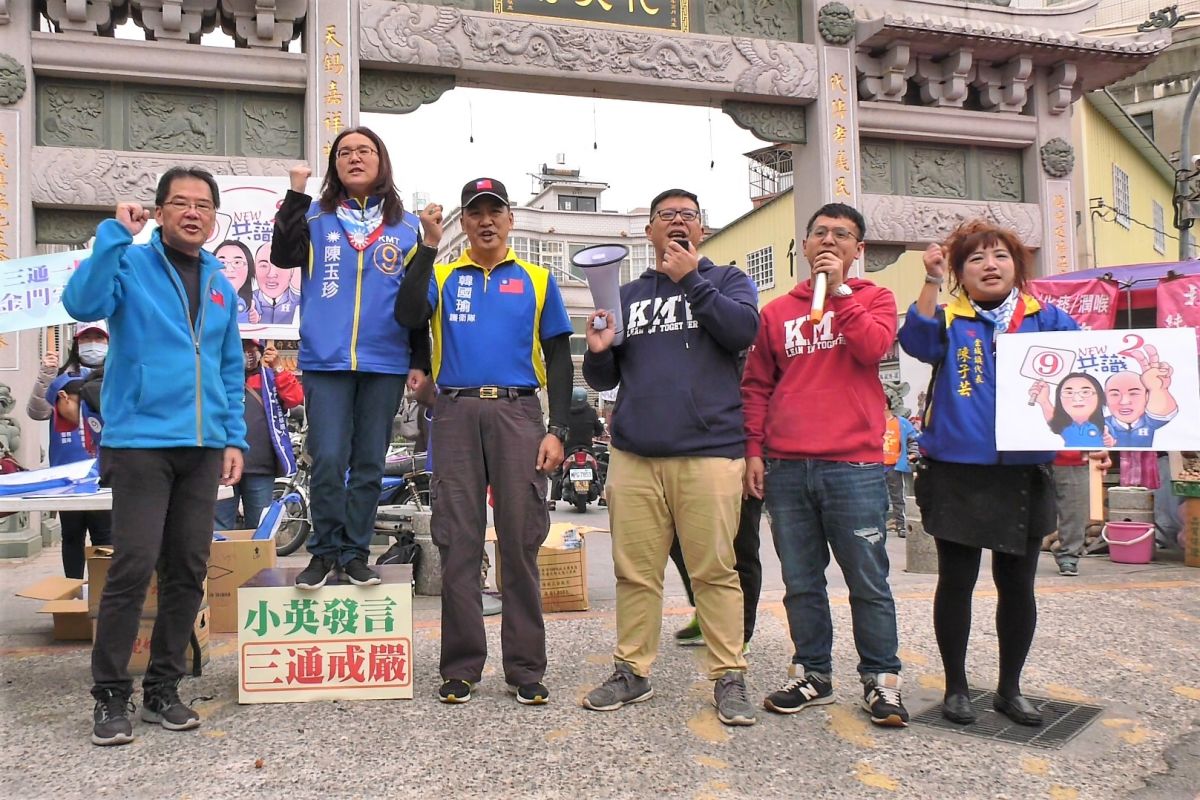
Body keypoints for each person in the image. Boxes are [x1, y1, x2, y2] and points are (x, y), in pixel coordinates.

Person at [63, 166, 246, 746]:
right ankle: (110, 695)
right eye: (180, 203)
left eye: (203, 205)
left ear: (214, 217)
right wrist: (113, 235)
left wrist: (234, 436)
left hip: (201, 447)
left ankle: (163, 688)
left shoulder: (219, 281)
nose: (193, 213)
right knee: (133, 566)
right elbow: (81, 300)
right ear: (161, 213)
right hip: (140, 441)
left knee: (188, 568)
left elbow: (228, 367)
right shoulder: (131, 262)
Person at [581, 188, 760, 727]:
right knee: (635, 572)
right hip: (636, 453)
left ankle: (729, 674)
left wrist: (691, 279)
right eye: (667, 216)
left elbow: (741, 331)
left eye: (688, 216)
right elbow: (606, 379)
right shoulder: (628, 293)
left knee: (714, 571)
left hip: (710, 452)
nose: (678, 223)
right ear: (650, 231)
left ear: (701, 230)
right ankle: (632, 670)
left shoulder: (727, 280)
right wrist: (598, 351)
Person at [395, 176, 572, 706]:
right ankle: (461, 666)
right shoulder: (444, 276)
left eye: (495, 211)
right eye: (476, 212)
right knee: (458, 541)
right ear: (464, 223)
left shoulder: (538, 279)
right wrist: (426, 248)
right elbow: (407, 314)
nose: (486, 220)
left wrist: (557, 429)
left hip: (519, 413)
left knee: (521, 541)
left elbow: (560, 357)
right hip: (454, 411)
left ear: (510, 219)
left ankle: (524, 669)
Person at [898, 219, 1079, 728]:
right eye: (975, 259)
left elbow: (1087, 372)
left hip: (1024, 471)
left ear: (1017, 266)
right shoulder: (950, 319)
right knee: (955, 583)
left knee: (1017, 585)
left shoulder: (1048, 320)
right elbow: (915, 341)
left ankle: (1009, 689)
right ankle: (957, 688)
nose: (989, 265)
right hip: (958, 470)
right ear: (960, 273)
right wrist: (930, 280)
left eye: (1000, 255)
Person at [742, 202, 908, 728]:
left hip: (854, 466)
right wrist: (754, 450)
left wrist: (839, 294)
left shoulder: (875, 298)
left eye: (842, 235)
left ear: (858, 251)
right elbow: (757, 387)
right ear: (805, 245)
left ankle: (881, 680)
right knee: (801, 581)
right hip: (788, 467)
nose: (829, 241)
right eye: (820, 234)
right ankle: (811, 672)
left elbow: (873, 347)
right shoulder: (776, 312)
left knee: (868, 579)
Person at [270, 126, 434, 590]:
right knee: (326, 460)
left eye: (365, 151)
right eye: (345, 152)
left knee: (368, 463)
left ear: (381, 161)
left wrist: (418, 361)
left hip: (385, 362)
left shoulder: (406, 228)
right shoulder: (318, 218)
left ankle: (356, 553)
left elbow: (418, 304)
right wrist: (295, 193)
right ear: (334, 165)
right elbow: (283, 255)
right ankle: (322, 554)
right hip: (326, 361)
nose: (355, 158)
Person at [26, 321, 113, 578]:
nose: (94, 343)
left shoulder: (117, 376)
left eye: (100, 338)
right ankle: (72, 591)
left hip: (104, 473)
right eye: (88, 338)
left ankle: (103, 595)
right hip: (66, 474)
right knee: (72, 535)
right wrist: (46, 376)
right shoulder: (61, 379)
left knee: (104, 536)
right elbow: (38, 411)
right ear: (76, 342)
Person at [214, 340, 303, 531]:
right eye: (241, 348)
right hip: (222, 466)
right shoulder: (218, 377)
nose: (247, 354)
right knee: (219, 529)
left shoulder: (270, 378)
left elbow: (295, 398)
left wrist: (278, 366)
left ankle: (256, 563)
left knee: (259, 529)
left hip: (260, 469)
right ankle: (221, 562)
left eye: (251, 349)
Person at [1050, 449, 1111, 576]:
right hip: (1026, 456)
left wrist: (1103, 448)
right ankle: (1016, 556)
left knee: (1075, 510)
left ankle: (1069, 555)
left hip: (1075, 457)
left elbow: (1102, 431)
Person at [549, 387, 605, 508]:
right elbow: (599, 430)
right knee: (597, 470)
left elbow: (559, 429)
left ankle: (552, 501)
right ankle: (603, 497)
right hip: (587, 449)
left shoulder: (564, 413)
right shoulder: (591, 412)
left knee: (558, 471)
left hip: (568, 449)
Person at [1029, 372, 1105, 448]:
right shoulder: (1068, 427)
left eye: (1085, 392)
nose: (1077, 399)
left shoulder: (1109, 425)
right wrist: (1043, 400)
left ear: (1100, 395)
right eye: (1069, 393)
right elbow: (1055, 420)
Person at [883, 398, 918, 538]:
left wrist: (913, 454)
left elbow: (912, 440)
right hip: (876, 466)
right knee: (878, 499)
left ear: (885, 405)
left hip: (895, 466)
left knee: (898, 498)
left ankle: (901, 525)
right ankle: (879, 525)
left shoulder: (902, 423)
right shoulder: (873, 422)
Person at [253, 242, 300, 324]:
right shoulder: (246, 300)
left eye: (280, 266)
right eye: (264, 265)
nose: (271, 274)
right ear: (254, 269)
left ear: (292, 271)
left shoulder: (300, 301)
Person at [213, 240, 257, 323]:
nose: (229, 269)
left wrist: (255, 318)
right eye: (222, 262)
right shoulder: (206, 298)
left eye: (237, 262)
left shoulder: (253, 299)